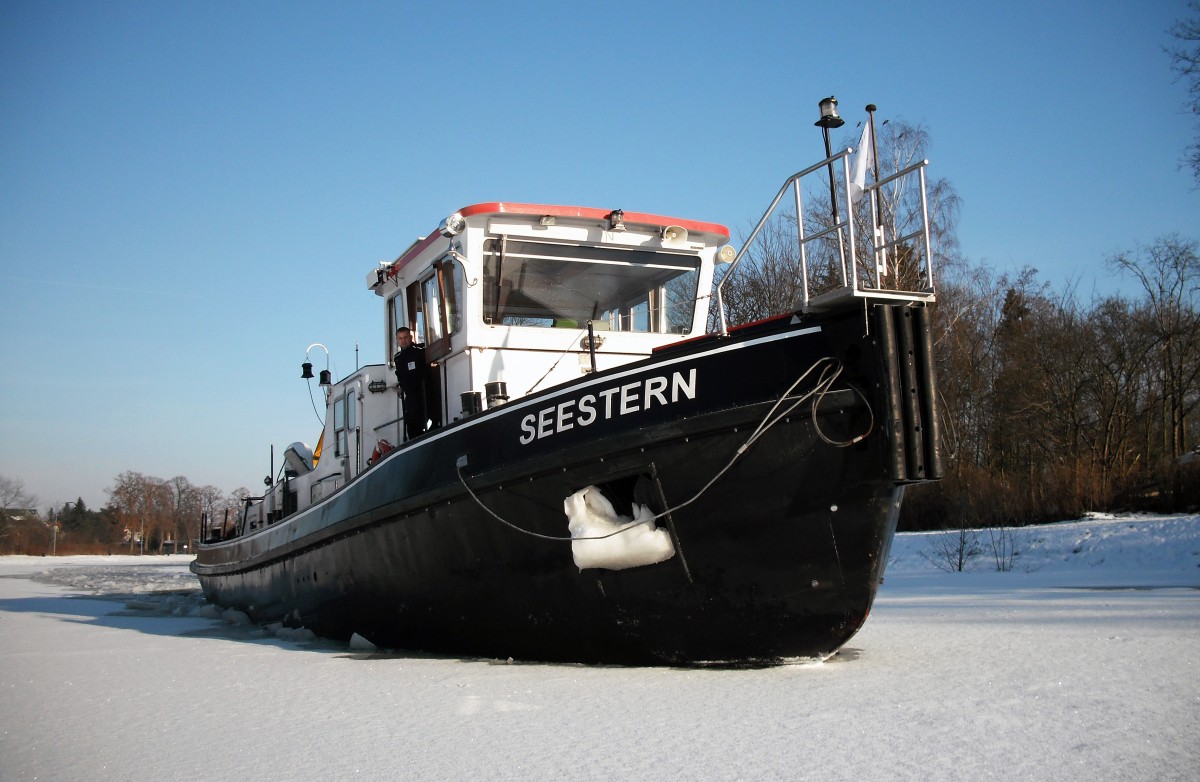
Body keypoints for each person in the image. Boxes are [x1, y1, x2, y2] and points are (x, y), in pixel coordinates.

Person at [394, 326, 434, 440]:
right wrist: (399, 386)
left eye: (405, 337)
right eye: (400, 338)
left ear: (411, 338)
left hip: (423, 395)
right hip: (410, 398)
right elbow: (400, 376)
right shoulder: (397, 358)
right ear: (397, 340)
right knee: (411, 429)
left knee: (425, 426)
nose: (403, 341)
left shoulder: (419, 352)